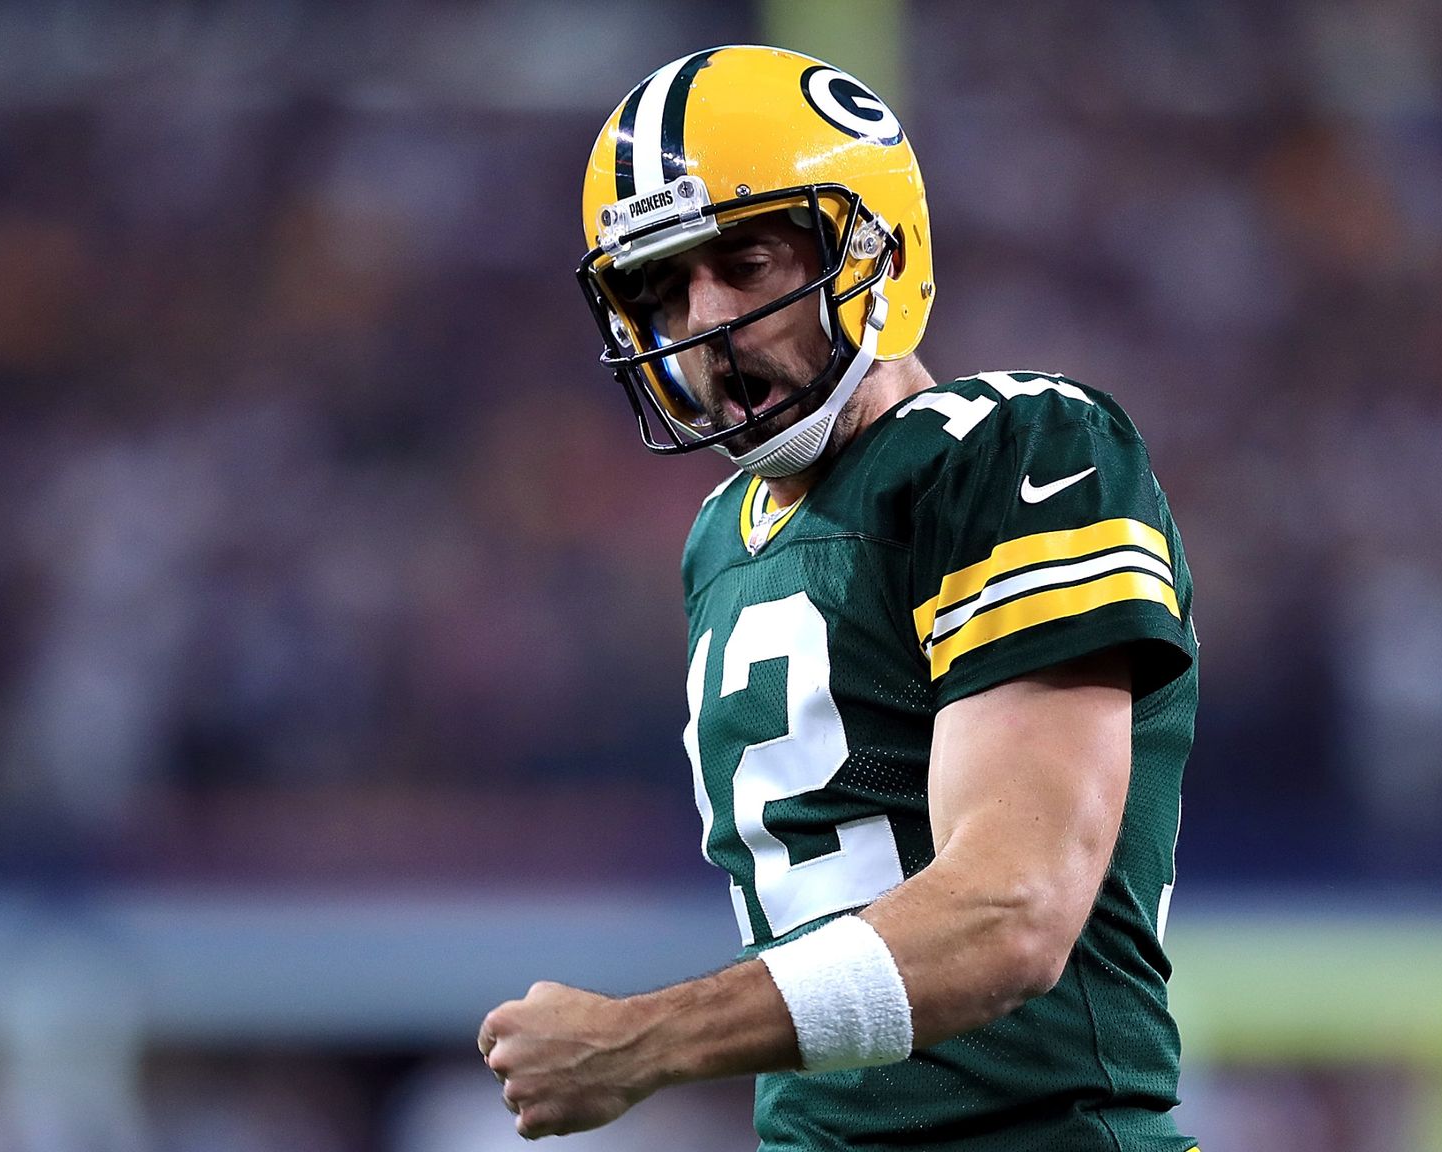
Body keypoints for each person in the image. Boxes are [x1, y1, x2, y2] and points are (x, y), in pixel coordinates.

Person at [478, 44, 1200, 1150]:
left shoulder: (1012, 446)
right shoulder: (721, 536)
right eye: (659, 292)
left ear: (876, 245)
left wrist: (648, 1040)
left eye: (747, 262)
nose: (704, 328)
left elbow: (1008, 916)